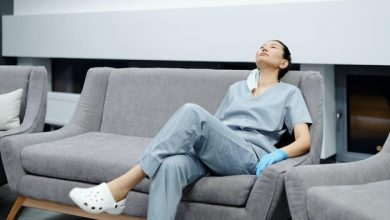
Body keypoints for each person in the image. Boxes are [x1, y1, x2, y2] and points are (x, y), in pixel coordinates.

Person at [69, 40, 312, 219]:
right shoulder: (236, 88)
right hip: (219, 151)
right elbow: (214, 127)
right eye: (261, 45)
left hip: (249, 154)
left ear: (283, 62)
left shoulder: (289, 93)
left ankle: (120, 187)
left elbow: (304, 141)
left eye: (272, 47)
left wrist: (277, 154)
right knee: (170, 165)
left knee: (192, 111)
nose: (264, 48)